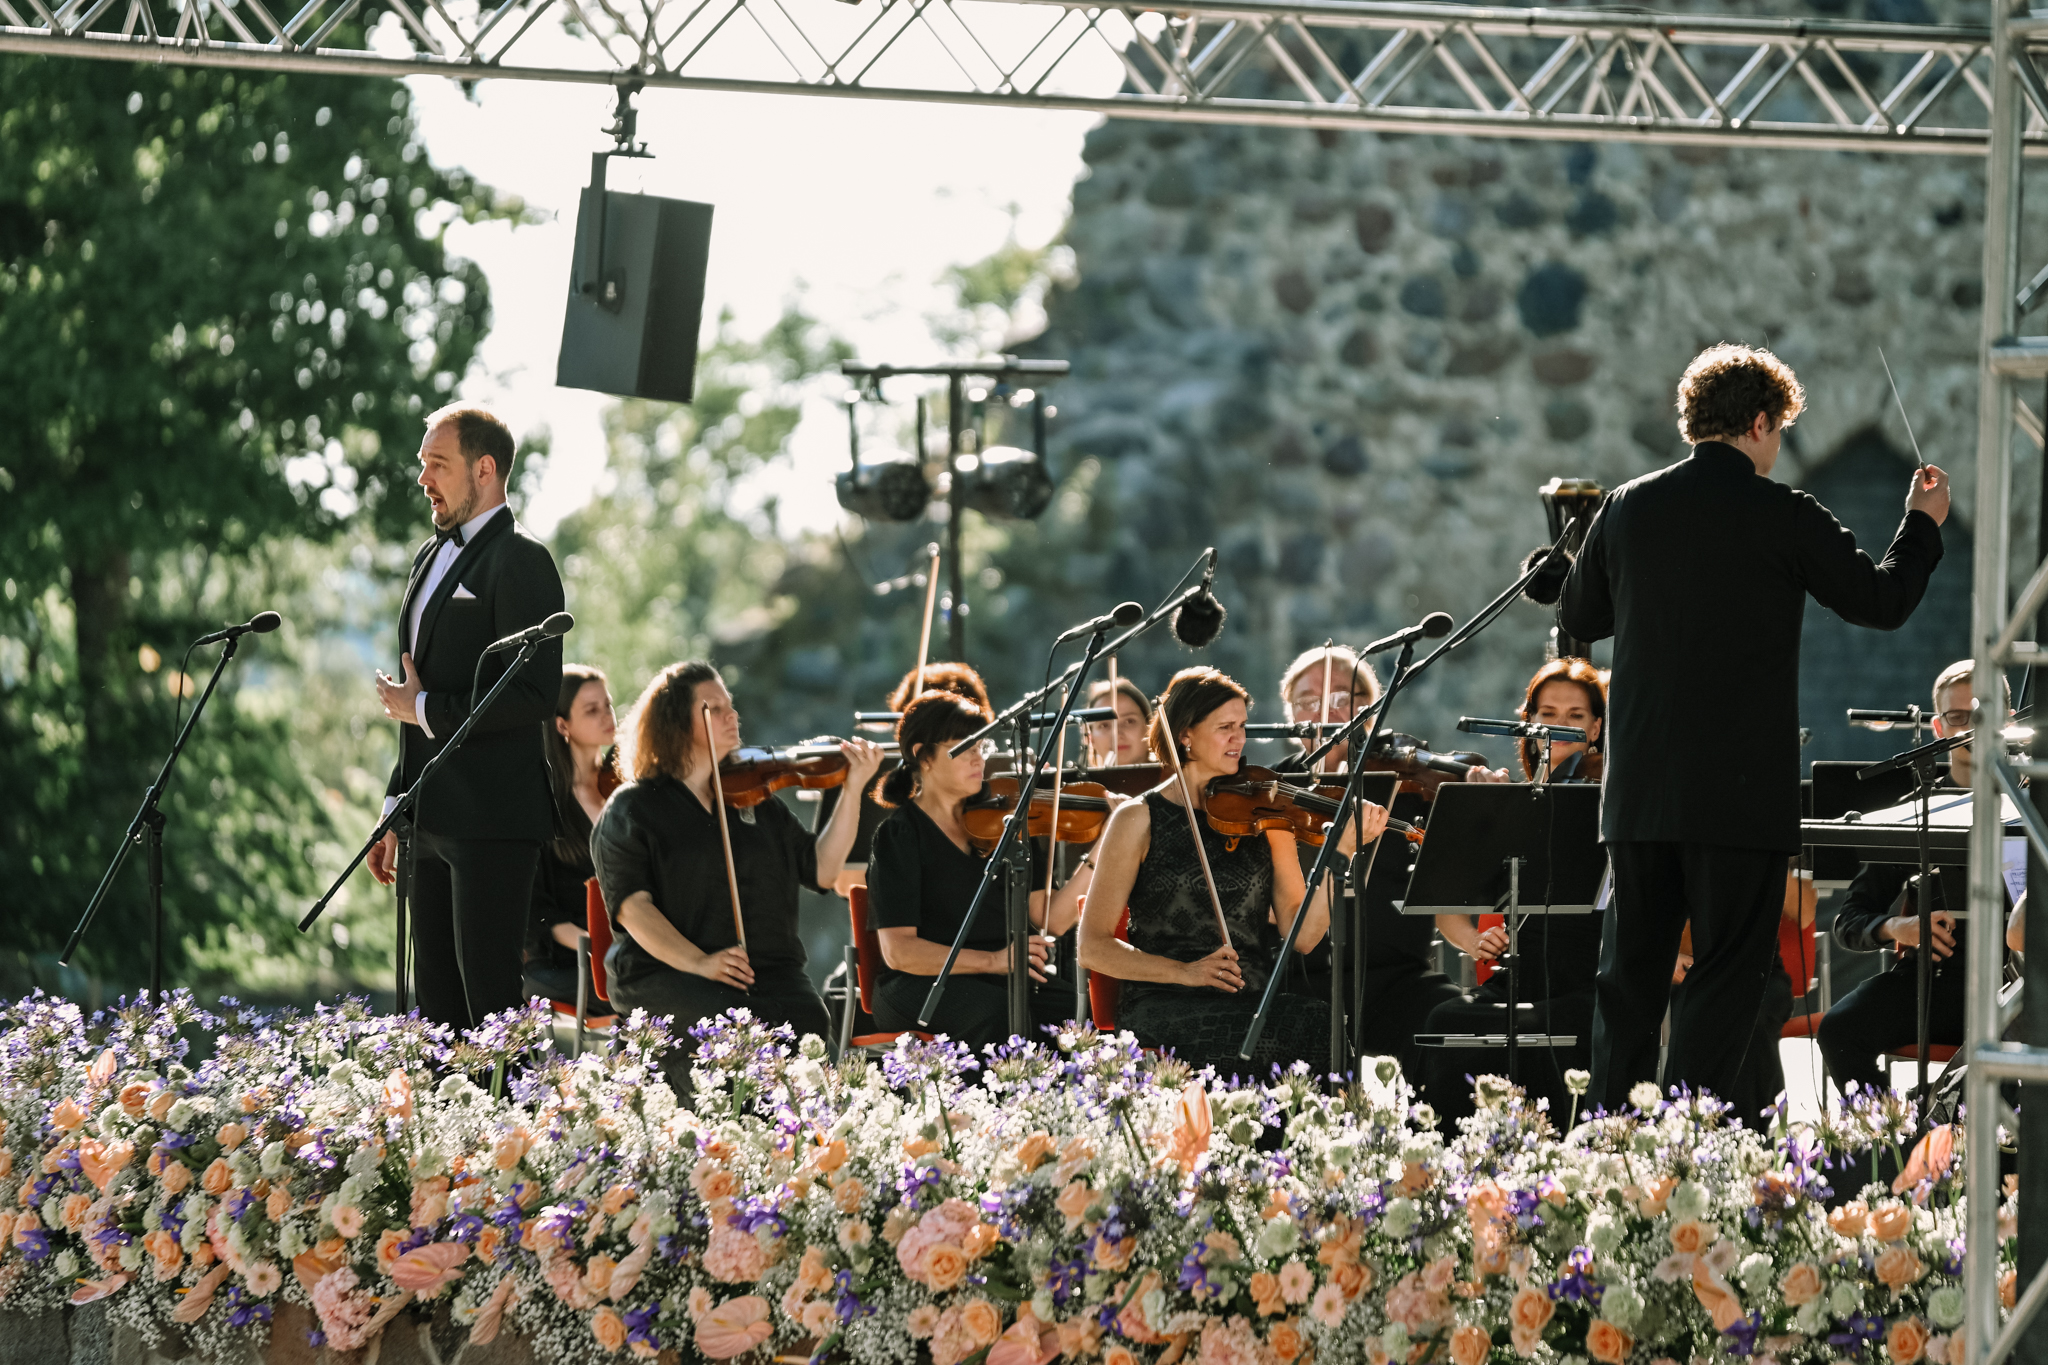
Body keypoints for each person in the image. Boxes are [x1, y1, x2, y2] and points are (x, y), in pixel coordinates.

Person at [1559, 343, 1949, 1110]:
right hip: (1737, 802)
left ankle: (1609, 1143)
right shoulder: (1784, 513)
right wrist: (1921, 522)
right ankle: (1687, 1143)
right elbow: (1882, 600)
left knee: (1628, 982)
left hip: (1638, 797)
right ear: (1762, 422)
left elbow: (1579, 614)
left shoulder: (1628, 505)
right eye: (1781, 431)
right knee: (1727, 979)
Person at [1079, 667, 1390, 1077]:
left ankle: (1330, 1122)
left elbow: (1303, 936)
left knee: (1318, 1021)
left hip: (1250, 1000)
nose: (1239, 739)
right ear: (1186, 735)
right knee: (1273, 1037)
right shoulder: (1137, 818)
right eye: (1225, 727)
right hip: (1164, 1002)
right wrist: (1185, 972)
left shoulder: (1266, 814)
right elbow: (1092, 946)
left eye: (1242, 726)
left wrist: (1342, 852)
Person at [589, 661, 884, 1089]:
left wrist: (853, 789)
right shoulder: (631, 809)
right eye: (714, 708)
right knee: (729, 1030)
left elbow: (822, 869)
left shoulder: (755, 801)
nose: (732, 716)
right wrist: (701, 962)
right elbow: (634, 909)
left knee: (809, 1022)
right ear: (675, 722)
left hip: (767, 971)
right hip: (669, 974)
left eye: (730, 706)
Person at [368, 404, 565, 1030]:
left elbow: (532, 692)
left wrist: (424, 708)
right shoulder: (427, 557)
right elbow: (414, 698)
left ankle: (513, 1102)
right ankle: (445, 1104)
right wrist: (396, 802)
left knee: (492, 1006)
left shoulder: (523, 559)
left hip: (492, 818)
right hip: (426, 814)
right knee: (436, 1013)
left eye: (438, 464)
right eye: (422, 463)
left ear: (484, 469)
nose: (423, 478)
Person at [1425, 659, 1607, 1124]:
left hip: (1587, 979)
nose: (1559, 726)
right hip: (1519, 976)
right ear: (1528, 723)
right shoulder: (1511, 799)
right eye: (1547, 714)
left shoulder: (1610, 801)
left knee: (1548, 1027)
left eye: (1575, 716)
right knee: (1447, 1018)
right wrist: (1475, 941)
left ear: (1596, 728)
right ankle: (1462, 1154)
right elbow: (1448, 907)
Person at [1816, 660, 2009, 1096]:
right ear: (1938, 728)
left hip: (2017, 989)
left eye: (1983, 714)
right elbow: (1850, 920)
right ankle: (1889, 1133)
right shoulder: (1915, 811)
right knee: (1839, 1029)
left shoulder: (2037, 804)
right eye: (1957, 717)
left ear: (2008, 721)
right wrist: (1899, 928)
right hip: (1935, 985)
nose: (1970, 728)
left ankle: (1985, 1134)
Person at [1278, 644, 1464, 1085]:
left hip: (1397, 979)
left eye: (1341, 698)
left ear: (1370, 709)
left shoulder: (1411, 781)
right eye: (1308, 701)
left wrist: (1473, 794)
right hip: (1303, 978)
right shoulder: (1274, 789)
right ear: (1291, 716)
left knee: (1452, 1019)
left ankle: (1432, 1127)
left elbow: (1446, 888)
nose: (1324, 712)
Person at [867, 690, 1076, 1049]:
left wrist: (1102, 846)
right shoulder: (900, 835)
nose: (978, 758)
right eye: (965, 748)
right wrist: (994, 961)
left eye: (982, 746)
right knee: (997, 1013)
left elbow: (1051, 918)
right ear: (924, 756)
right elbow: (899, 951)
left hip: (999, 976)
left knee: (1073, 1012)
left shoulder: (1006, 823)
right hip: (919, 983)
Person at [525, 665, 616, 1004]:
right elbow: (539, 913)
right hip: (568, 961)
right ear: (562, 725)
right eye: (592, 710)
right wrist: (603, 947)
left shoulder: (626, 790)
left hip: (628, 951)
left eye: (608, 705)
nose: (607, 716)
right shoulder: (543, 803)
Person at [1083, 677, 1153, 768]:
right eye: (1104, 725)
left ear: (1150, 729)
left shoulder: (1172, 775)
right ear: (1090, 738)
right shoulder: (1079, 777)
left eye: (1129, 721)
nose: (1116, 734)